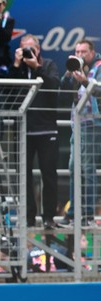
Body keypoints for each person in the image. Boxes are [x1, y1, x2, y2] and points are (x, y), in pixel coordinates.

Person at [10, 34, 60, 229]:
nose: (28, 53)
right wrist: (16, 65)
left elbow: (53, 87)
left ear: (38, 50)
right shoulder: (19, 68)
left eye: (31, 49)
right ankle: (29, 217)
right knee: (24, 175)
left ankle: (49, 217)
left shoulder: (48, 65)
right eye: (24, 49)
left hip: (46, 129)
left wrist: (36, 68)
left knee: (49, 174)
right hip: (24, 129)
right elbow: (10, 94)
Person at [61, 39, 101, 226]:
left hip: (93, 123)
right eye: (77, 51)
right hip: (76, 123)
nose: (80, 55)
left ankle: (87, 214)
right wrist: (70, 71)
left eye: (84, 52)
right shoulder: (76, 68)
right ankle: (73, 212)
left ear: (92, 53)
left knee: (87, 169)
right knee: (73, 168)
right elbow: (62, 90)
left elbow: (99, 91)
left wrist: (85, 80)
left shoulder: (99, 67)